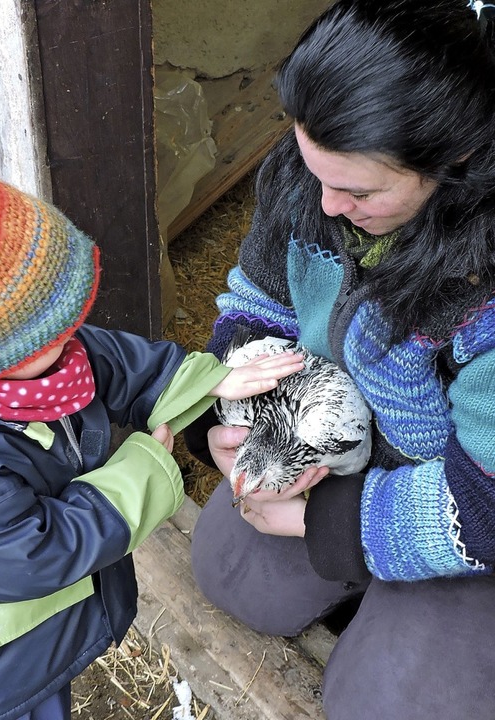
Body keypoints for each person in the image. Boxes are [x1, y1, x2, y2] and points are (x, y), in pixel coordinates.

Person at [0, 164, 305, 720]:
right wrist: (140, 473)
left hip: (41, 626)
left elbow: (102, 358)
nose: (76, 338)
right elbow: (38, 555)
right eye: (55, 335)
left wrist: (201, 379)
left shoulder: (24, 367)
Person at [184, 1, 495, 718]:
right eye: (312, 166)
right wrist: (233, 414)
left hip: (470, 488)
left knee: (381, 705)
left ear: (458, 158)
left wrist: (331, 522)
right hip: (361, 441)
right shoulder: (309, 179)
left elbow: (485, 503)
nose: (324, 203)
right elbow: (257, 303)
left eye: (357, 190)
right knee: (231, 575)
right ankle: (378, 588)